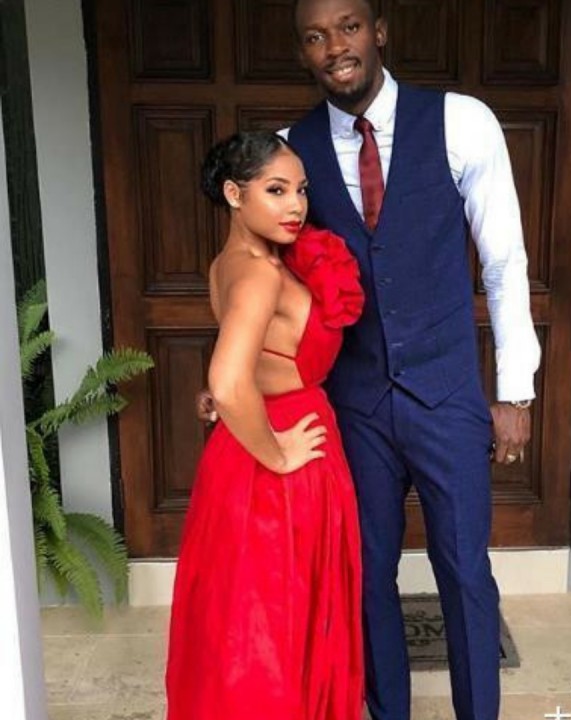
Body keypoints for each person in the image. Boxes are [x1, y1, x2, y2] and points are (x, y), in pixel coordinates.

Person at [200, 0, 540, 717]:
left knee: (465, 573)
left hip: (446, 395)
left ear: (378, 32)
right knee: (364, 578)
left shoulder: (462, 122)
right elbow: (263, 280)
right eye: (315, 36)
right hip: (352, 406)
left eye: (349, 27)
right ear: (303, 52)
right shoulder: (289, 154)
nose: (335, 47)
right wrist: (236, 378)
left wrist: (515, 390)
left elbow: (504, 262)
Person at [166, 131, 365, 720]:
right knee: (276, 624)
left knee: (247, 619)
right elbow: (230, 380)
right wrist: (278, 454)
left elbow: (242, 369)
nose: (295, 205)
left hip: (243, 450)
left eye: (300, 190)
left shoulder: (230, 265)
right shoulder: (259, 274)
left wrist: (228, 400)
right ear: (234, 194)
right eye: (276, 191)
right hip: (281, 460)